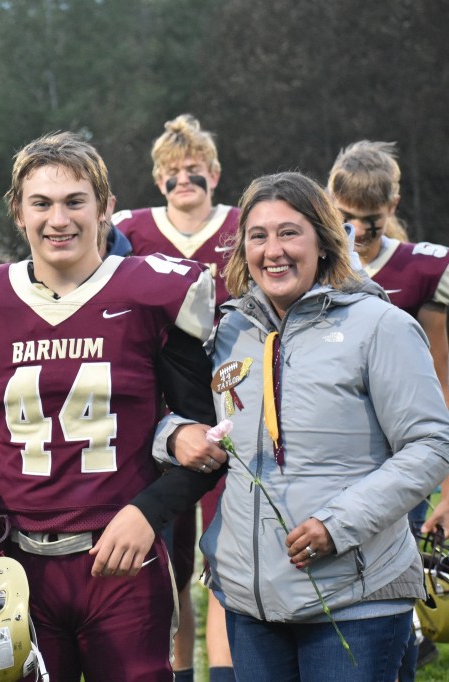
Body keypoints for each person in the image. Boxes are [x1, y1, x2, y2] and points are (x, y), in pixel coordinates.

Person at [0, 132, 223, 681]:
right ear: (18, 212)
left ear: (105, 207)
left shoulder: (152, 293)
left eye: (75, 201)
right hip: (17, 562)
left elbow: (205, 441)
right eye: (41, 203)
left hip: (122, 557)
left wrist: (149, 512)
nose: (58, 219)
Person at [167, 171, 449, 681]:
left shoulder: (379, 326)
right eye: (258, 235)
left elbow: (431, 444)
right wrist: (172, 435)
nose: (273, 250)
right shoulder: (229, 330)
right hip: (252, 604)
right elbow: (181, 417)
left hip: (356, 600)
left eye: (289, 233)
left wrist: (337, 525)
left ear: (324, 241)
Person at [113, 113, 239, 681]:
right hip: (163, 410)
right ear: (156, 179)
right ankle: (180, 671)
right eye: (172, 172)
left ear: (216, 172)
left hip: (236, 401)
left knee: (229, 555)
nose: (184, 180)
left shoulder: (243, 224)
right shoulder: (131, 229)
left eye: (195, 169)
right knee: (172, 561)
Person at [327, 139, 449, 677]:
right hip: (332, 452)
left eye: (369, 221)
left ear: (392, 206)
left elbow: (441, 377)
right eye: (345, 218)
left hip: (399, 458)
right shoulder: (313, 261)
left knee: (393, 596)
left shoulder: (423, 268)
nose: (355, 232)